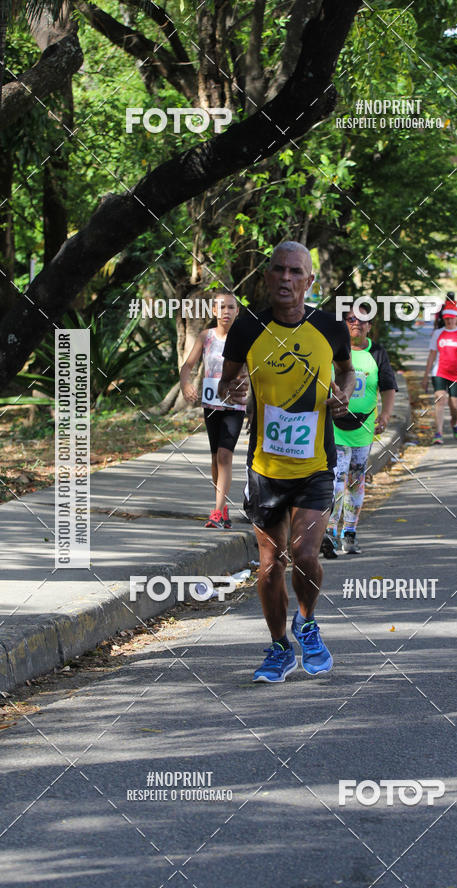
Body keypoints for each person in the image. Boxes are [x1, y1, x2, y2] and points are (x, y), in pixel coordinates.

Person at [218, 241, 355, 683]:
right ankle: (279, 647)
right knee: (270, 563)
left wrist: (345, 392)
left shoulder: (330, 328)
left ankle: (307, 623)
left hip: (315, 464)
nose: (286, 278)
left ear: (309, 281)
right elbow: (225, 383)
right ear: (267, 276)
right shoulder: (247, 328)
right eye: (278, 269)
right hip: (265, 468)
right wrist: (234, 390)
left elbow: (347, 370)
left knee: (306, 555)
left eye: (296, 272)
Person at [321, 304, 397, 558]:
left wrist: (385, 415)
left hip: (364, 428)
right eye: (351, 318)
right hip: (335, 426)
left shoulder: (377, 352)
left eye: (362, 319)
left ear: (370, 325)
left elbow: (388, 386)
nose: (356, 323)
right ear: (344, 323)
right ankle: (330, 534)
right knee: (336, 480)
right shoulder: (334, 348)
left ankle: (349, 534)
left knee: (355, 481)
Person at [180, 293, 246, 528]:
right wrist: (186, 384)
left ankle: (217, 512)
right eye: (222, 307)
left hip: (234, 405)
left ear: (237, 311)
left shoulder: (243, 338)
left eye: (231, 307)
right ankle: (222, 506)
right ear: (214, 311)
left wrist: (245, 383)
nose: (226, 311)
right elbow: (187, 366)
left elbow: (255, 370)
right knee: (215, 457)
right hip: (211, 405)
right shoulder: (206, 337)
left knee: (225, 455)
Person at [422, 300, 457, 444]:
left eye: (452, 318)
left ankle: (454, 422)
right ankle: (438, 433)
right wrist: (425, 376)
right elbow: (432, 355)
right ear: (443, 319)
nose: (449, 321)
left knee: (455, 405)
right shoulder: (438, 333)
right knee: (440, 399)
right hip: (440, 371)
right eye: (447, 318)